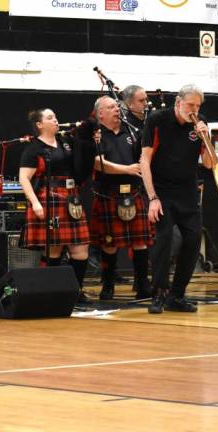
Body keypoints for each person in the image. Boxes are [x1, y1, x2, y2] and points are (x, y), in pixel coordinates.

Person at [140, 84, 217, 314]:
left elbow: (210, 164)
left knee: (193, 241)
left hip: (188, 191)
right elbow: (145, 160)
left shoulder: (200, 123)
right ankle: (159, 293)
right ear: (178, 103)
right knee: (164, 239)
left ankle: (177, 295)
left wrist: (206, 138)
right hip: (161, 191)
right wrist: (152, 197)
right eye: (190, 105)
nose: (194, 110)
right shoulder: (157, 120)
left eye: (197, 105)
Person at [19, 108, 91, 302]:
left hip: (71, 198)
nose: (56, 120)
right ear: (39, 125)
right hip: (48, 198)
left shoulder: (66, 142)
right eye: (50, 118)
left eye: (56, 117)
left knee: (81, 249)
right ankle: (52, 291)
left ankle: (75, 290)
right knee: (54, 249)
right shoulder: (34, 148)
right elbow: (24, 178)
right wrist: (34, 203)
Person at [90, 96, 153, 300]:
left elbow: (144, 157)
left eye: (117, 106)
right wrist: (126, 169)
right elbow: (98, 163)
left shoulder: (133, 132)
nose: (117, 109)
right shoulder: (96, 136)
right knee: (109, 243)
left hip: (134, 192)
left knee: (140, 242)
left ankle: (142, 285)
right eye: (111, 107)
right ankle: (108, 285)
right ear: (101, 113)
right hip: (108, 193)